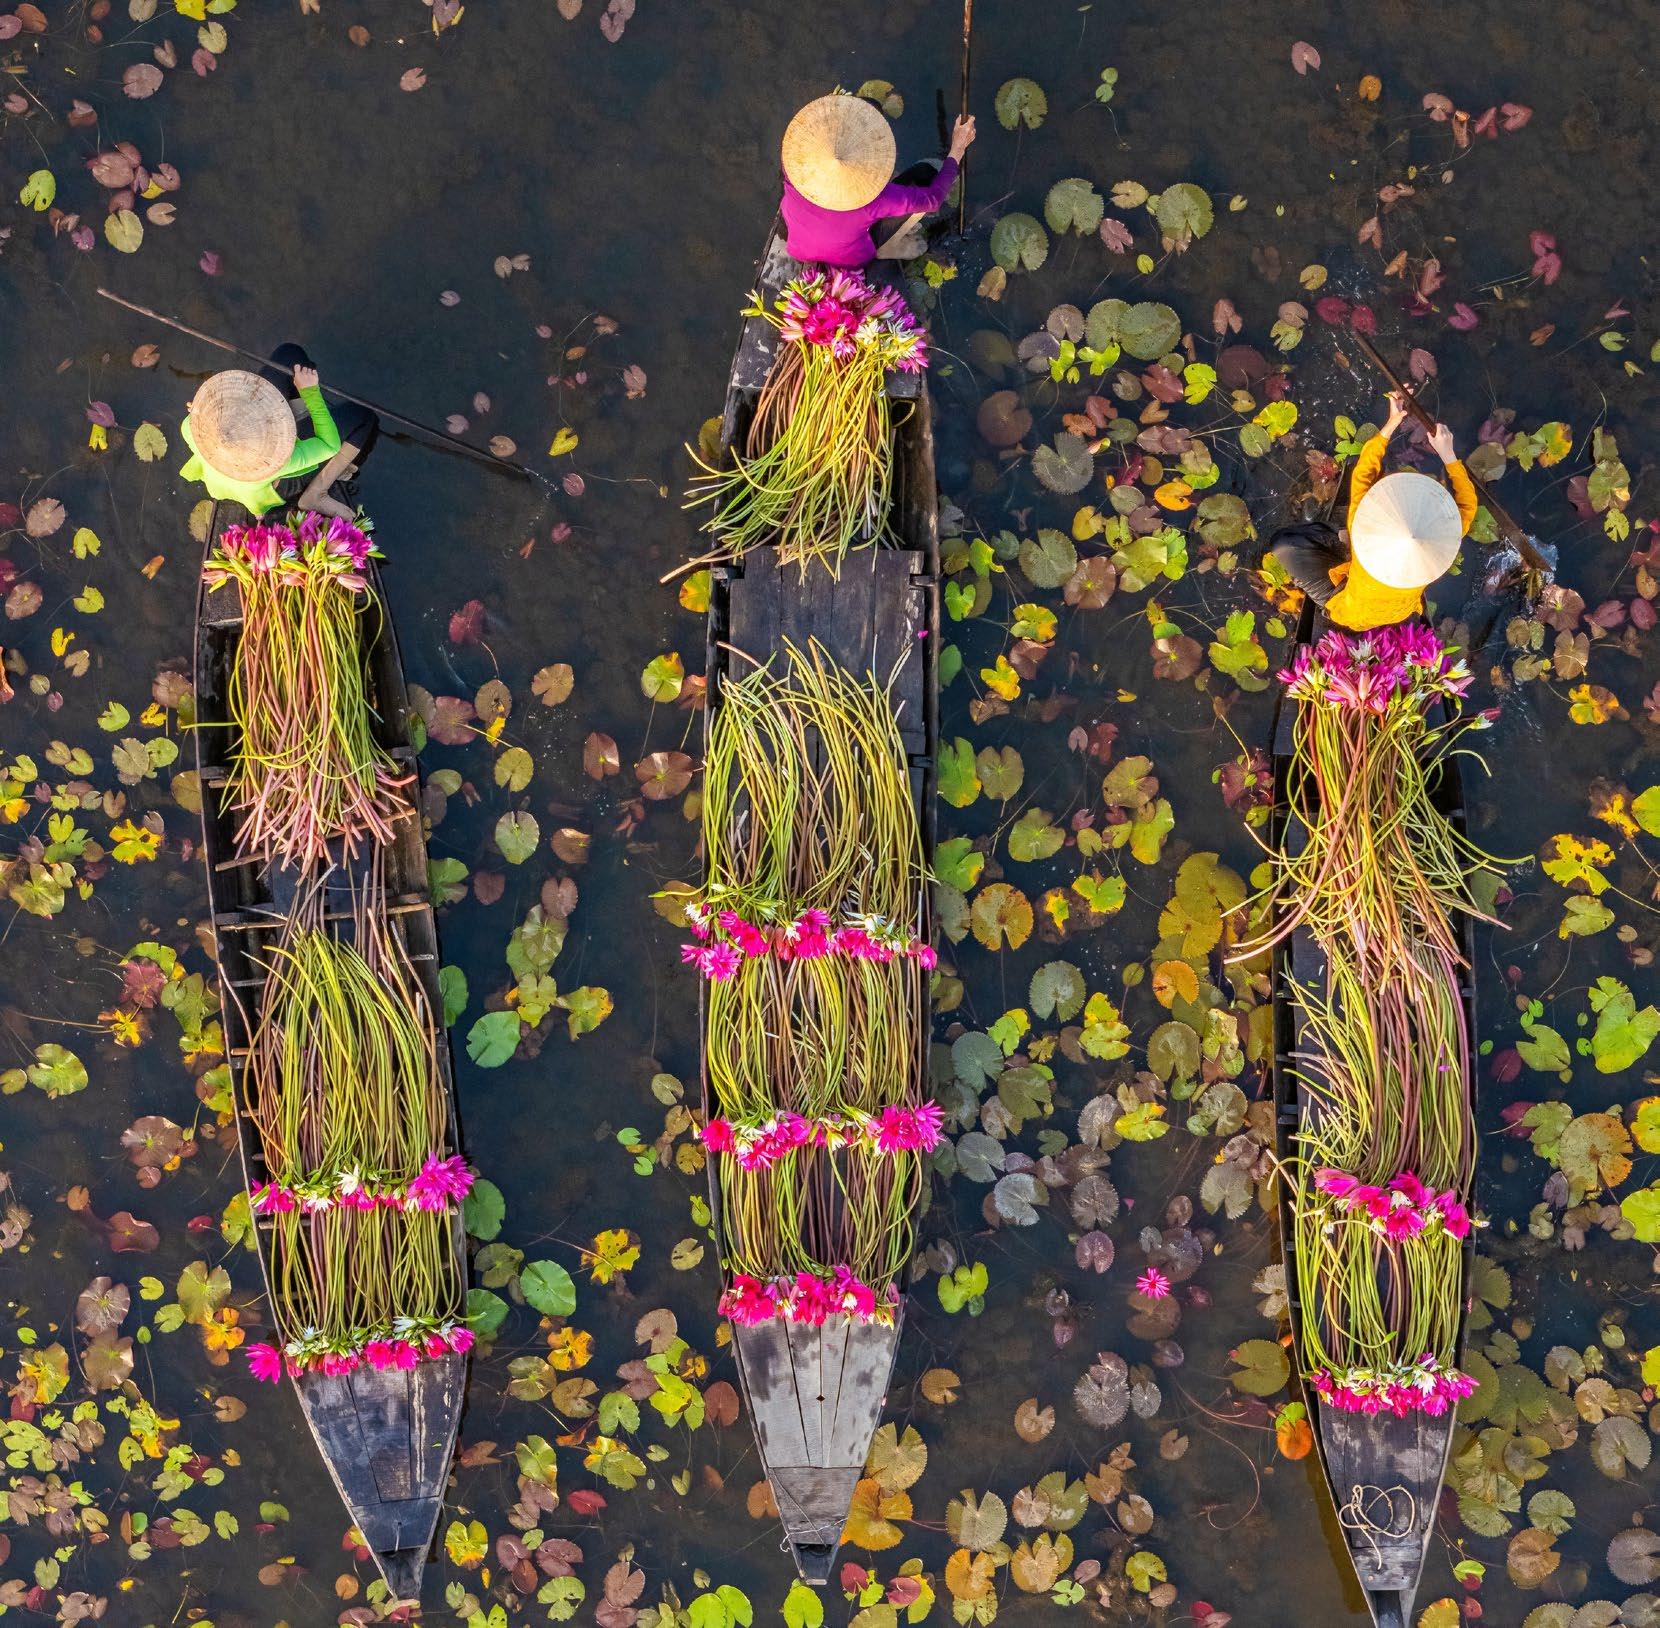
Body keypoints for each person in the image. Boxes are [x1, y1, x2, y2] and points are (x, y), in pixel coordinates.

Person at [1267, 391, 1479, 631]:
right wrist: (1449, 456)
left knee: (1284, 543)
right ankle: (1342, 544)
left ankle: (1341, 544)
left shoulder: (1359, 519)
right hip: (1400, 609)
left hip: (1347, 608)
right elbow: (1468, 505)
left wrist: (1392, 424)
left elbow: (1363, 473)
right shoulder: (1444, 536)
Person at [780, 92, 976, 269]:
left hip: (799, 247)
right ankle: (886, 249)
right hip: (850, 258)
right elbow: (933, 200)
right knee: (925, 174)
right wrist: (957, 149)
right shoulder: (875, 199)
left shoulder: (793, 161)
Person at [179, 346, 372, 517]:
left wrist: (202, 410)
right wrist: (310, 393)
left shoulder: (189, 427)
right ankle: (316, 494)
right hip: (269, 485)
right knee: (363, 416)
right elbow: (329, 445)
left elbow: (195, 412)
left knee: (289, 354)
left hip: (226, 471)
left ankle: (296, 398)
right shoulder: (276, 461)